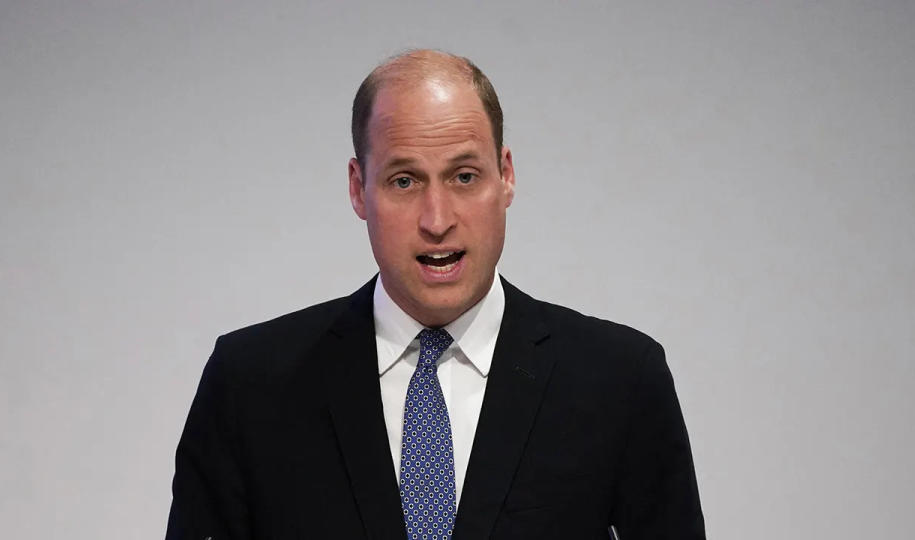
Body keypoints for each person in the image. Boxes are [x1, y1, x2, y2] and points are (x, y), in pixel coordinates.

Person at [166, 49, 706, 540]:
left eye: (465, 177)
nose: (438, 219)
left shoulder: (621, 380)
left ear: (506, 176)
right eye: (404, 181)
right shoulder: (250, 383)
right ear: (358, 188)